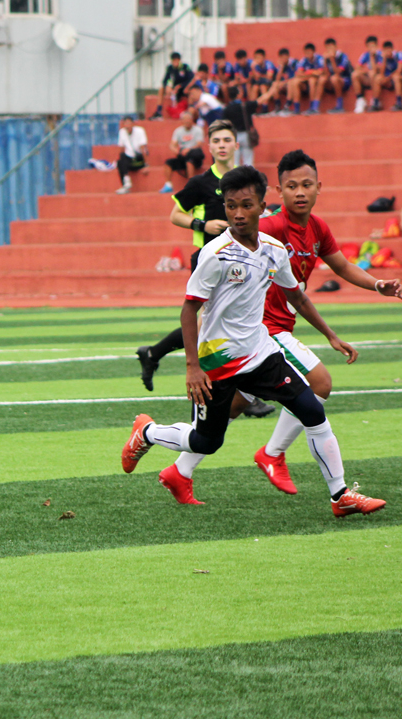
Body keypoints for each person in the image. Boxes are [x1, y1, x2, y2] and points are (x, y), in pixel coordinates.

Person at [121, 165, 385, 517]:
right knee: (206, 441)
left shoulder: (275, 250)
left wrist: (331, 336)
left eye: (246, 205)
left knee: (312, 411)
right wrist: (192, 367)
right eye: (231, 206)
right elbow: (189, 311)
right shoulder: (215, 255)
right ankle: (148, 431)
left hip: (261, 354)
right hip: (218, 362)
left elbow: (298, 297)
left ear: (263, 205)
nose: (238, 214)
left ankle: (340, 495)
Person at [251, 150, 402, 492]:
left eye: (306, 185)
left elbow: (343, 267)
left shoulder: (317, 228)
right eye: (292, 186)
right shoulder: (273, 225)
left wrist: (378, 285)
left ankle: (165, 452)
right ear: (279, 192)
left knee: (227, 410)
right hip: (261, 329)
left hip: (278, 328)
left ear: (320, 187)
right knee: (320, 383)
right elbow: (239, 234)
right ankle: (274, 455)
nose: (300, 192)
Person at [137, 121, 273, 418]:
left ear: (237, 145)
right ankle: (223, 394)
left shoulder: (248, 180)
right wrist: (202, 225)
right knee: (213, 325)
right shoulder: (200, 183)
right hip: (209, 262)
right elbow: (175, 214)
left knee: (220, 323)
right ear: (209, 147)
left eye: (227, 139)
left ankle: (154, 354)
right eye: (217, 141)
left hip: (242, 261)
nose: (222, 145)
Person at [160, 109, 205, 194]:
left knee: (190, 160)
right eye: (185, 119)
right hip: (183, 155)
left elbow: (199, 144)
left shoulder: (198, 130)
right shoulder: (178, 131)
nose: (187, 121)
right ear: (182, 121)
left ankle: (191, 185)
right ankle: (168, 184)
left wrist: (189, 149)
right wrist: (175, 150)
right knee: (168, 162)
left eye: (189, 119)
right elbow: (172, 144)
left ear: (192, 120)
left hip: (195, 155)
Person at [152, 52, 195, 120]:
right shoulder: (170, 68)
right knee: (161, 89)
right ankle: (159, 111)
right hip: (175, 90)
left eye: (176, 60)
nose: (175, 63)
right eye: (173, 61)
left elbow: (191, 79)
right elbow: (165, 80)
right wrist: (167, 87)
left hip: (184, 88)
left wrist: (181, 85)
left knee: (191, 91)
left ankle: (190, 110)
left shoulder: (185, 67)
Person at [289, 42, 325, 115]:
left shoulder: (319, 58)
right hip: (306, 81)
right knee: (294, 82)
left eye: (309, 52)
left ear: (313, 52)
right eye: (306, 52)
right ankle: (296, 109)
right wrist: (310, 74)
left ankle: (313, 107)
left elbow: (320, 72)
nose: (307, 54)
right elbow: (298, 73)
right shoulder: (304, 60)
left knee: (312, 81)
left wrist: (309, 72)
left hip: (316, 82)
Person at [115, 116, 147, 195]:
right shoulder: (122, 132)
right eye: (126, 123)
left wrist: (146, 165)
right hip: (129, 161)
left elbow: (143, 148)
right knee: (120, 161)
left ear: (133, 124)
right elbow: (121, 148)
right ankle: (126, 182)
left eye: (129, 123)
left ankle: (126, 182)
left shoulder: (140, 131)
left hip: (138, 160)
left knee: (123, 160)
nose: (128, 125)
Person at [320, 37, 353, 114]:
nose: (329, 49)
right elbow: (325, 74)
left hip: (346, 80)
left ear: (336, 47)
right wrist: (324, 61)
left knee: (334, 78)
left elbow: (338, 72)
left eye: (331, 47)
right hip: (333, 81)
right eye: (327, 48)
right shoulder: (326, 58)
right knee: (322, 79)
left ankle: (340, 106)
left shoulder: (343, 56)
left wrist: (332, 59)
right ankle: (314, 107)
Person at [256, 48, 294, 115]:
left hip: (293, 84)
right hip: (283, 85)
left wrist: (284, 82)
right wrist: (281, 67)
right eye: (281, 58)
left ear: (288, 56)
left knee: (291, 83)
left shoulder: (293, 63)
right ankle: (277, 106)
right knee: (275, 84)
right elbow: (277, 79)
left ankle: (288, 105)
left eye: (285, 57)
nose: (283, 59)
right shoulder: (281, 65)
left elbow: (295, 77)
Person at [352, 35, 383, 113]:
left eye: (373, 46)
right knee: (355, 74)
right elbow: (358, 67)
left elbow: (377, 69)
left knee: (372, 74)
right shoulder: (365, 55)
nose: (371, 48)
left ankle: (375, 100)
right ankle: (360, 100)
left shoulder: (381, 54)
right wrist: (366, 71)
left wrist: (372, 58)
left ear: (376, 46)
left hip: (380, 79)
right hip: (369, 78)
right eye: (369, 46)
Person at [222, 98, 256, 167]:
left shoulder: (227, 109)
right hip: (245, 134)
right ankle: (248, 176)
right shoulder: (244, 106)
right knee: (248, 160)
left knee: (235, 162)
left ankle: (236, 177)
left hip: (233, 135)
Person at [371, 39, 400, 112]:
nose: (387, 52)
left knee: (396, 77)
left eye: (389, 50)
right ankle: (376, 103)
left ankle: (399, 102)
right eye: (385, 50)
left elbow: (399, 71)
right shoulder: (382, 57)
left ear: (392, 49)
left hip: (398, 79)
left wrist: (387, 79)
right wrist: (384, 59)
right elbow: (381, 73)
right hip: (389, 80)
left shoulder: (399, 55)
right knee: (378, 78)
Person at [248, 49, 280, 113]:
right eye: (256, 58)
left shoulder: (269, 63)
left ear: (264, 57)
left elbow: (269, 77)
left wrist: (260, 76)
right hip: (263, 83)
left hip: (273, 84)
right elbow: (256, 78)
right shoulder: (255, 66)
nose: (257, 59)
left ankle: (265, 108)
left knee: (263, 86)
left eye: (259, 57)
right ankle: (251, 108)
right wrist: (253, 68)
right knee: (255, 87)